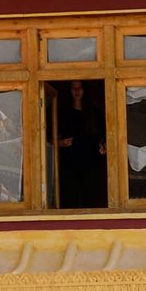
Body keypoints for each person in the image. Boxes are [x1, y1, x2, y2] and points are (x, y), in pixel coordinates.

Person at [55, 79, 107, 208]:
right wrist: (58, 143)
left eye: (80, 88)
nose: (77, 91)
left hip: (91, 164)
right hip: (68, 164)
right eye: (73, 88)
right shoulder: (61, 113)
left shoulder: (95, 113)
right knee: (69, 200)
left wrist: (104, 146)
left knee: (91, 200)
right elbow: (46, 137)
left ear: (85, 90)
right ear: (69, 91)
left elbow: (106, 135)